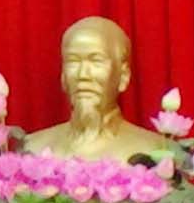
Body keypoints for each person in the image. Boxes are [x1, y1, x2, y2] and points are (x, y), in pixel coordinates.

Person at [23, 16, 175, 160]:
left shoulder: (155, 151)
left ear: (123, 76)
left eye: (96, 61)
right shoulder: (32, 147)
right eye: (73, 61)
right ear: (63, 76)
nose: (83, 75)